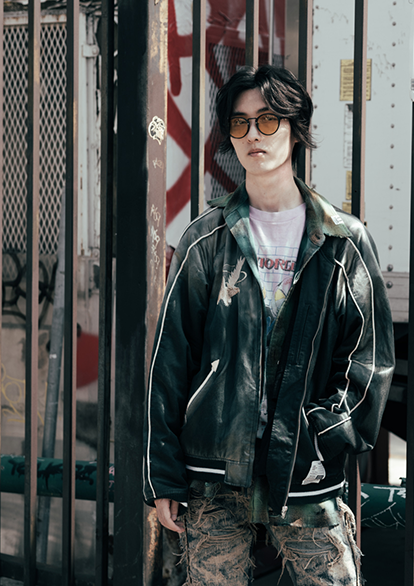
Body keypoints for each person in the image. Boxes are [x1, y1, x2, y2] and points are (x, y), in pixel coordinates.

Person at [143, 64, 395, 584]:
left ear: (295, 128)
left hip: (304, 472)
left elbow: (369, 361)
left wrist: (320, 434)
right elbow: (170, 361)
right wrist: (163, 476)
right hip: (212, 476)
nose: (253, 134)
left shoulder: (342, 240)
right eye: (240, 123)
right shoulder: (206, 239)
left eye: (267, 119)